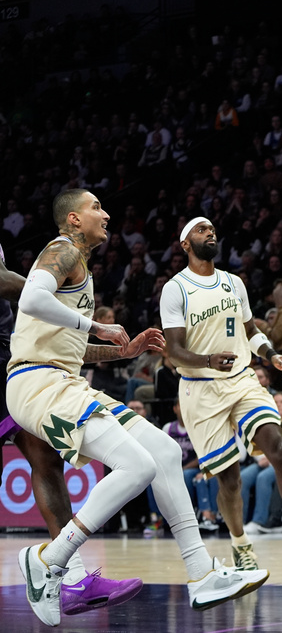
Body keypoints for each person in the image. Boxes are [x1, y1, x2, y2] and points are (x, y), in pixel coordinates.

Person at [9, 191, 267, 626]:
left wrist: (122, 350)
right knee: (137, 467)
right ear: (73, 219)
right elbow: (30, 299)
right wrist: (98, 325)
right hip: (38, 383)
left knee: (164, 453)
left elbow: (72, 350)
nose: (106, 214)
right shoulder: (62, 247)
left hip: (61, 377)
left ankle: (201, 573)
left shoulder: (78, 266)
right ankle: (51, 560)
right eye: (95, 208)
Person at [162, 216, 282, 581]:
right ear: (185, 244)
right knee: (229, 479)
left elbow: (250, 333)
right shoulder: (176, 289)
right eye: (201, 230)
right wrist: (207, 360)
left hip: (241, 379)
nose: (210, 233)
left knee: (279, 449)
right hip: (200, 389)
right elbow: (173, 351)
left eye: (212, 229)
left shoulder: (234, 282)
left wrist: (272, 356)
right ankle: (241, 545)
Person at [0, 244, 144, 618]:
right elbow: (20, 288)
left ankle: (71, 576)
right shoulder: (55, 266)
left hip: (11, 359)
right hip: (15, 361)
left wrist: (117, 350)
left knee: (46, 458)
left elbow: (70, 345)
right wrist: (50, 289)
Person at [242, 391, 282, 533]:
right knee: (243, 477)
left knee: (263, 478)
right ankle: (240, 522)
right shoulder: (263, 423)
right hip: (263, 461)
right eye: (275, 402)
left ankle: (259, 521)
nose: (279, 405)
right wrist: (261, 458)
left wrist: (270, 460)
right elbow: (254, 445)